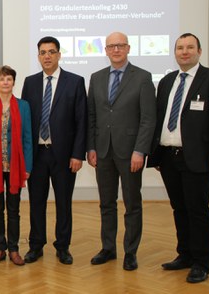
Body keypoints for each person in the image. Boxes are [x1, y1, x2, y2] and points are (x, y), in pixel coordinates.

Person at [147, 33, 209, 283]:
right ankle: (184, 254)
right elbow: (160, 118)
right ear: (175, 53)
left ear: (199, 51)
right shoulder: (167, 81)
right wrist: (157, 156)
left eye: (189, 47)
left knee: (198, 210)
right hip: (169, 157)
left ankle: (202, 262)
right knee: (179, 209)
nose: (184, 52)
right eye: (180, 48)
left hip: (198, 158)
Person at [87, 32, 156, 271]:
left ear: (128, 48)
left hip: (130, 153)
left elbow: (148, 119)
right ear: (105, 50)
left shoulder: (143, 77)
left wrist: (140, 150)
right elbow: (92, 116)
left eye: (120, 45)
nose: (116, 50)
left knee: (132, 203)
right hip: (103, 150)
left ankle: (130, 251)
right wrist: (91, 147)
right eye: (111, 46)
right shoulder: (96, 78)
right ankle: (108, 248)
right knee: (106, 203)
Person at [21, 36, 87, 265]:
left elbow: (81, 121)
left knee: (63, 203)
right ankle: (36, 245)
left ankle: (63, 247)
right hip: (38, 155)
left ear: (59, 55)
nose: (47, 56)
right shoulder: (29, 82)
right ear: (38, 56)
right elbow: (26, 121)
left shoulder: (75, 81)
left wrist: (78, 154)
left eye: (51, 52)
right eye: (42, 52)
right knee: (36, 202)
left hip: (64, 156)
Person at [0, 65, 33, 266]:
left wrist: (27, 166)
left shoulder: (23, 106)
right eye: (2, 79)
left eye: (9, 79)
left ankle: (14, 249)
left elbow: (27, 137)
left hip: (15, 165)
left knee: (14, 209)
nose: (5, 82)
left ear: (13, 82)